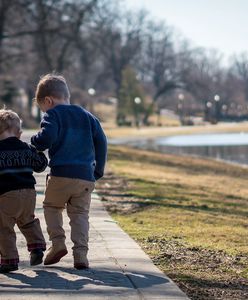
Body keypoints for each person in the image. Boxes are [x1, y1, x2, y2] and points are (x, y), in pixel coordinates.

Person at [31, 74, 107, 269]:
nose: (44, 112)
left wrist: (35, 142)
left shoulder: (53, 114)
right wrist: (98, 170)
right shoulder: (88, 116)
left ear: (48, 101)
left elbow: (47, 138)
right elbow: (102, 141)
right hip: (85, 177)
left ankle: (57, 244)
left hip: (61, 174)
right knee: (80, 214)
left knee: (52, 207)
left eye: (43, 108)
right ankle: (81, 255)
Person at [0, 109, 47, 273]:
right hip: (29, 193)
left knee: (4, 227)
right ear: (18, 131)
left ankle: (9, 260)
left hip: (7, 195)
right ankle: (37, 247)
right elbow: (41, 165)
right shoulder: (26, 148)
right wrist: (38, 151)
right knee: (27, 221)